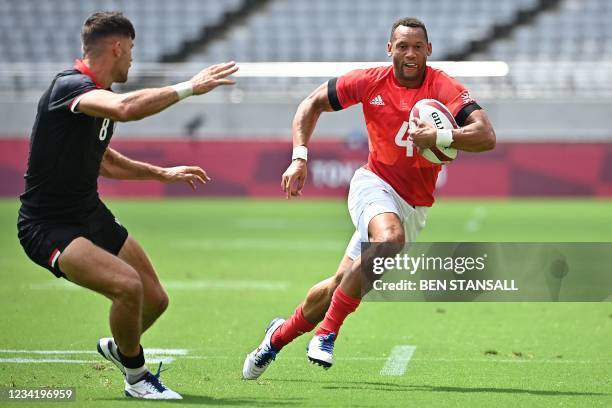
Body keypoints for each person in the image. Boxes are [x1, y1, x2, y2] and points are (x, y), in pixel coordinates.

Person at [243, 17, 495, 379]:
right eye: (402, 46)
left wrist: (443, 138)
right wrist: (299, 157)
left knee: (337, 286)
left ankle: (274, 340)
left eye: (417, 47)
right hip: (373, 184)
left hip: (413, 205)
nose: (410, 54)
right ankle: (327, 334)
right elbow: (311, 103)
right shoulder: (369, 80)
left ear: (429, 50)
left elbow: (486, 135)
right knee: (390, 239)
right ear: (389, 48)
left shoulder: (443, 86)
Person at [17, 11, 238, 399]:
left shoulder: (96, 98)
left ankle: (120, 350)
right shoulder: (70, 87)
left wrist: (161, 174)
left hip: (88, 213)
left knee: (155, 298)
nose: (133, 59)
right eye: (131, 49)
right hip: (47, 225)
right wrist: (190, 87)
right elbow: (126, 109)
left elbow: (104, 160)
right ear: (116, 47)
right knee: (127, 287)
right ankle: (137, 378)